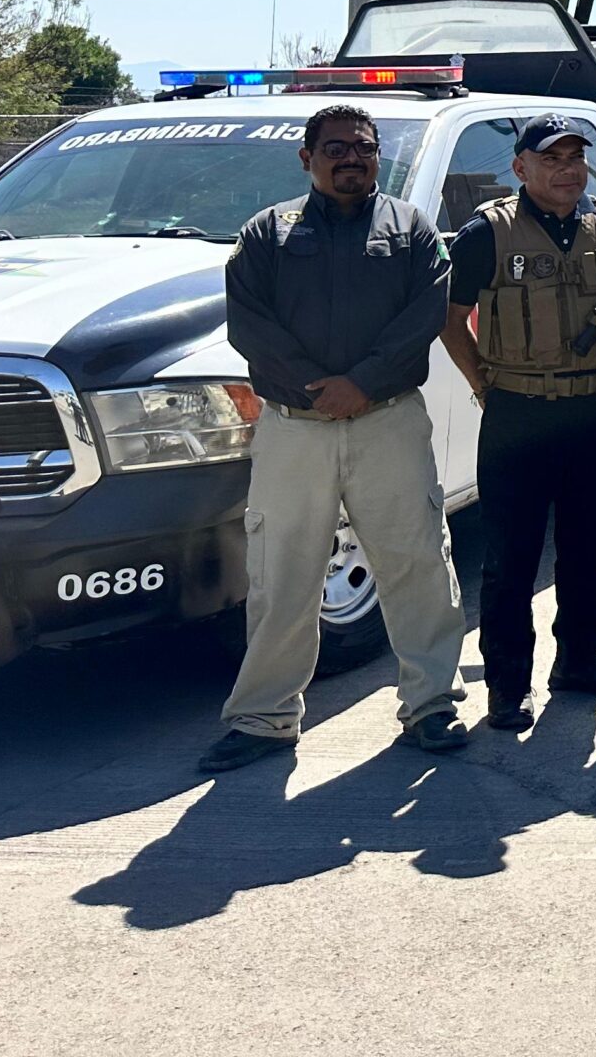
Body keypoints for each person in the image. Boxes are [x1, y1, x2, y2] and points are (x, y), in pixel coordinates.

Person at [199, 104, 467, 773]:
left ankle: (430, 704)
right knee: (281, 575)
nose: (352, 157)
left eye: (364, 147)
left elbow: (425, 312)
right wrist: (321, 386)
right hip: (295, 430)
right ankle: (264, 717)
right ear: (307, 158)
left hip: (389, 422)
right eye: (337, 147)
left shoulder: (411, 229)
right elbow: (248, 325)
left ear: (379, 156)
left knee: (417, 564)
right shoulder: (267, 232)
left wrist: (363, 385)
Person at [441, 112, 596, 730]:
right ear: (521, 167)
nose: (567, 170)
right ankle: (506, 683)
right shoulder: (487, 234)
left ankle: (579, 659)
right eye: (551, 160)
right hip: (517, 413)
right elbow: (450, 317)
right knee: (512, 555)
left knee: (588, 547)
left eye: (575, 159)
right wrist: (483, 386)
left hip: (592, 410)